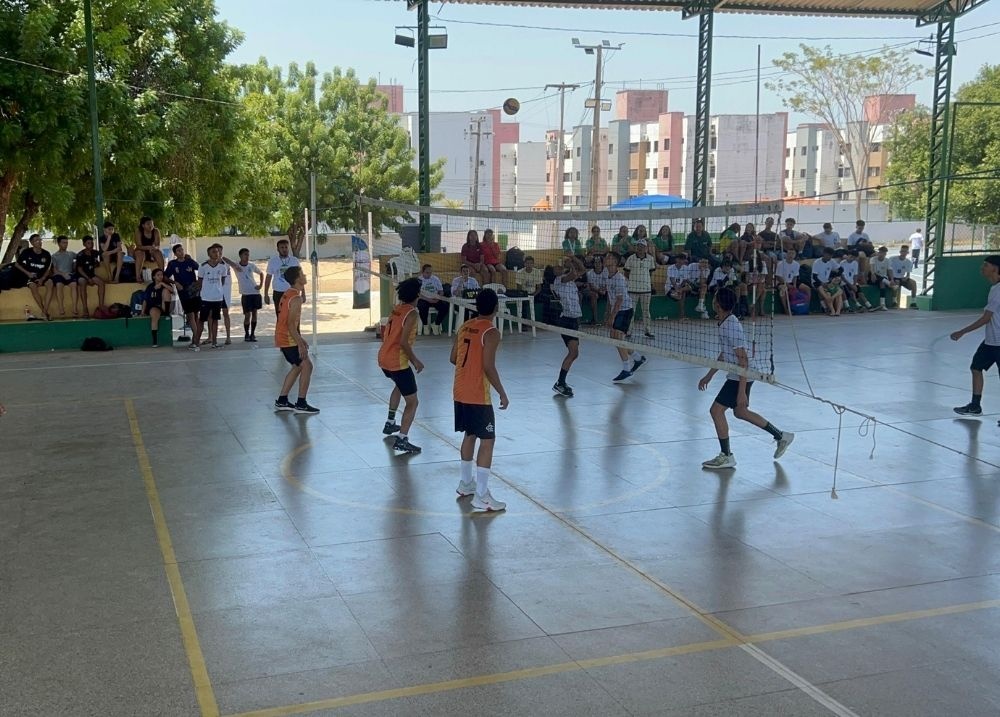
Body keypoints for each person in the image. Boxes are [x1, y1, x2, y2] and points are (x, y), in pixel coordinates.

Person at [698, 287, 794, 469]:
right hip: (740, 373)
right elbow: (725, 354)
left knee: (716, 411)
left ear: (717, 304)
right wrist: (709, 375)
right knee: (740, 412)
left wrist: (741, 392)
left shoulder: (731, 326)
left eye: (715, 298)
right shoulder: (724, 322)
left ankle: (726, 456)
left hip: (742, 374)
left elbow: (743, 359)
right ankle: (782, 436)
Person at [451, 288, 509, 512]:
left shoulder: (465, 325)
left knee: (470, 434)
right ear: (496, 308)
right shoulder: (491, 332)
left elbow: (453, 358)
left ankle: (466, 483)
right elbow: (488, 366)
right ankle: (482, 495)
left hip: (459, 389)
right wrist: (502, 392)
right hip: (477, 393)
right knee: (488, 440)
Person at [378, 277, 424, 453]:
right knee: (413, 402)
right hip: (397, 360)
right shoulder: (412, 313)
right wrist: (415, 360)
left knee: (399, 386)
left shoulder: (397, 309)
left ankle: (390, 422)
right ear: (417, 294)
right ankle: (402, 439)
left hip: (384, 356)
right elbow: (404, 342)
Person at [951, 255, 1000, 416]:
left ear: (995, 268)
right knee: (976, 367)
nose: (982, 268)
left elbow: (986, 318)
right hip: (991, 342)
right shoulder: (994, 288)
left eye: (986, 265)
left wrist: (962, 331)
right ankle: (975, 405)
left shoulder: (998, 290)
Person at [273, 266, 319, 414]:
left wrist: (300, 338)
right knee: (307, 366)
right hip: (287, 338)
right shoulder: (296, 298)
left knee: (298, 366)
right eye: (302, 274)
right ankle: (301, 403)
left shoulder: (289, 293)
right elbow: (290, 324)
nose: (305, 276)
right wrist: (299, 343)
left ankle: (282, 400)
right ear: (298, 279)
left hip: (284, 336)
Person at [604, 251, 646, 382]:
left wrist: (612, 316)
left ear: (615, 262)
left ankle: (627, 369)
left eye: (610, 258)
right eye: (606, 257)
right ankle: (638, 358)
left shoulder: (619, 279)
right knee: (614, 338)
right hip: (618, 310)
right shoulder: (608, 275)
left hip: (625, 310)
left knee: (617, 339)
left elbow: (619, 301)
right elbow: (610, 298)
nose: (606, 259)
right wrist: (607, 312)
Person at [551, 255, 585, 397]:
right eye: (556, 267)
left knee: (574, 353)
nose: (558, 268)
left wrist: (573, 258)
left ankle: (561, 382)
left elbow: (582, 270)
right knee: (573, 353)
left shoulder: (570, 281)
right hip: (567, 320)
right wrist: (571, 262)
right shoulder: (559, 280)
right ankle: (560, 383)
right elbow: (575, 273)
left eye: (560, 266)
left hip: (575, 320)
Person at [165, 243, 202, 344]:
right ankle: (195, 337)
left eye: (182, 250)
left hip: (193, 290)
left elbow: (199, 268)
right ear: (175, 253)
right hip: (183, 291)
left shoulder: (189, 261)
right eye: (179, 251)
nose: (181, 252)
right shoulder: (173, 264)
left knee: (196, 314)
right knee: (190, 314)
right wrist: (175, 282)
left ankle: (197, 336)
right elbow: (166, 276)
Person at [225, 248, 264, 342]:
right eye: (245, 254)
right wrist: (234, 265)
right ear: (240, 256)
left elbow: (261, 273)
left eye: (248, 255)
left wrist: (260, 285)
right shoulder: (236, 266)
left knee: (255, 314)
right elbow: (224, 258)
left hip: (255, 292)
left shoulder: (251, 265)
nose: (247, 257)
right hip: (246, 294)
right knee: (247, 315)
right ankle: (246, 333)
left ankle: (253, 334)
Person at [197, 244, 229, 349]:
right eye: (214, 252)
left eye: (218, 252)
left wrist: (217, 290)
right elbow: (200, 281)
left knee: (215, 319)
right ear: (209, 254)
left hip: (217, 297)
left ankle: (214, 342)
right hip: (206, 297)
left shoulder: (223, 266)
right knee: (202, 319)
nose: (216, 253)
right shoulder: (203, 266)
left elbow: (223, 280)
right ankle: (196, 342)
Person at [624, 239, 657, 338]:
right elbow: (626, 273)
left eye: (642, 246)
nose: (640, 248)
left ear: (646, 248)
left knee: (646, 311)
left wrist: (646, 282)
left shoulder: (650, 259)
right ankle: (628, 331)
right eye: (638, 246)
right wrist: (633, 281)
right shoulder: (630, 258)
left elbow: (651, 272)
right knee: (631, 311)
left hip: (646, 290)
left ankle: (648, 331)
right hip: (632, 290)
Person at [14, 233, 52, 319]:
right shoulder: (26, 252)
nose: (39, 242)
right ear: (32, 243)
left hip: (43, 277)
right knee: (32, 286)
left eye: (40, 240)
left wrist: (42, 279)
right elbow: (17, 264)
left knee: (50, 284)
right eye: (36, 240)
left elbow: (48, 269)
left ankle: (44, 311)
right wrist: (28, 273)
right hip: (30, 277)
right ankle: (44, 311)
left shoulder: (46, 254)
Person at [264, 239, 301, 316]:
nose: (284, 249)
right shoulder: (273, 261)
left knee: (294, 317)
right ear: (278, 249)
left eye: (286, 247)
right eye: (282, 247)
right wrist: (266, 294)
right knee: (281, 317)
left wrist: (303, 293)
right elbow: (268, 277)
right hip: (278, 292)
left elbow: (299, 277)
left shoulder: (294, 261)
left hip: (293, 292)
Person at [45, 235, 76, 318]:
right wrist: (63, 274)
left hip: (69, 275)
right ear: (59, 244)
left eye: (66, 243)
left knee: (74, 285)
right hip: (59, 275)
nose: (65, 244)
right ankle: (61, 308)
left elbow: (81, 258)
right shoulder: (54, 256)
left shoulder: (71, 254)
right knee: (59, 285)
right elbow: (54, 270)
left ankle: (74, 308)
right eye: (63, 243)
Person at [75, 235, 106, 316]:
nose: (91, 244)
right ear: (84, 244)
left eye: (92, 243)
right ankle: (85, 309)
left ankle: (101, 305)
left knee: (102, 283)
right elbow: (79, 269)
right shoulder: (80, 255)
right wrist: (88, 278)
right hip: (82, 275)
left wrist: (97, 263)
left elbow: (104, 254)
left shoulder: (95, 253)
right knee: (82, 283)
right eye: (88, 243)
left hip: (91, 274)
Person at [141, 268, 173, 347]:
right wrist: (142, 311)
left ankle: (166, 314)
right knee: (154, 316)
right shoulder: (150, 287)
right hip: (154, 306)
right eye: (158, 275)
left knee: (166, 291)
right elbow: (145, 300)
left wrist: (163, 284)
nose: (160, 277)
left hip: (164, 306)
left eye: (161, 275)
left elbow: (172, 290)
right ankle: (155, 341)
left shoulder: (165, 284)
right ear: (154, 277)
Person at [775, 249, 811, 316]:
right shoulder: (781, 264)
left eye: (792, 253)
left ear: (795, 255)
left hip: (792, 282)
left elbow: (795, 276)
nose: (791, 255)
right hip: (782, 282)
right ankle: (786, 309)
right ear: (786, 254)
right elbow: (778, 277)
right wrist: (788, 285)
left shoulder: (796, 264)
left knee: (807, 288)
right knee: (783, 290)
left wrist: (794, 285)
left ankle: (806, 307)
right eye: (789, 253)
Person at [416, 263, 446, 335]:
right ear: (422, 272)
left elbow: (441, 291)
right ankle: (425, 325)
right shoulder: (418, 280)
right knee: (422, 306)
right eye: (427, 272)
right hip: (423, 299)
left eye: (430, 272)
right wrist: (428, 299)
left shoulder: (435, 279)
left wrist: (438, 298)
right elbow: (418, 294)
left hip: (435, 298)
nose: (429, 274)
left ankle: (436, 324)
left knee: (445, 307)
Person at [515, 255, 544, 328]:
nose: (529, 265)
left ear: (533, 264)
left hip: (535, 293)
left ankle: (546, 322)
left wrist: (533, 295)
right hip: (524, 294)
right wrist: (526, 295)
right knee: (523, 303)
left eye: (531, 263)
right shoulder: (519, 272)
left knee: (546, 299)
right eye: (527, 263)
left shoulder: (537, 272)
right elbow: (519, 288)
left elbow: (539, 288)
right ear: (524, 264)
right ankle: (523, 324)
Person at [812, 247, 840, 314]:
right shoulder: (817, 262)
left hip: (827, 281)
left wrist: (835, 277)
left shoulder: (831, 261)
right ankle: (826, 307)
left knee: (838, 290)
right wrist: (821, 283)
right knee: (822, 290)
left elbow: (841, 269)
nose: (830, 257)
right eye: (828, 255)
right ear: (824, 254)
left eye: (831, 256)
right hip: (816, 281)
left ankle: (837, 308)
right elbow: (814, 277)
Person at [584, 254, 608, 325]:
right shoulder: (590, 273)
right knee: (594, 295)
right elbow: (591, 286)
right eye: (596, 262)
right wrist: (600, 291)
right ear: (593, 264)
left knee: (612, 294)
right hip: (595, 291)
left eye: (599, 262)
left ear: (602, 263)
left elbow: (608, 283)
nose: (597, 264)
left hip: (605, 291)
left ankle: (609, 319)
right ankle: (595, 319)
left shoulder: (606, 271)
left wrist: (604, 290)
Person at [868, 246, 892, 311]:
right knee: (872, 274)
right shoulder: (873, 259)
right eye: (880, 252)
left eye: (883, 253)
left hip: (882, 278)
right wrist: (873, 274)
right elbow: (872, 268)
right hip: (873, 277)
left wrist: (892, 280)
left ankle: (882, 304)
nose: (881, 254)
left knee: (882, 283)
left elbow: (890, 270)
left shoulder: (887, 260)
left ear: (885, 254)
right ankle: (888, 283)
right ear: (878, 252)